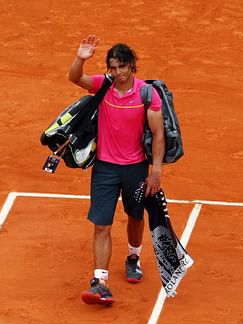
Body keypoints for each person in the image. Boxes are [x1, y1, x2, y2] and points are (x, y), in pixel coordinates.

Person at [68, 34, 165, 305]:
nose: (118, 72)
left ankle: (133, 256)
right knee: (101, 225)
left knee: (135, 217)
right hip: (105, 169)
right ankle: (100, 281)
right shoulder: (103, 86)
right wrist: (81, 58)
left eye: (122, 66)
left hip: (135, 169)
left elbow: (158, 135)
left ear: (131, 66)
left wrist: (155, 171)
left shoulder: (147, 93)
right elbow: (75, 78)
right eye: (113, 67)